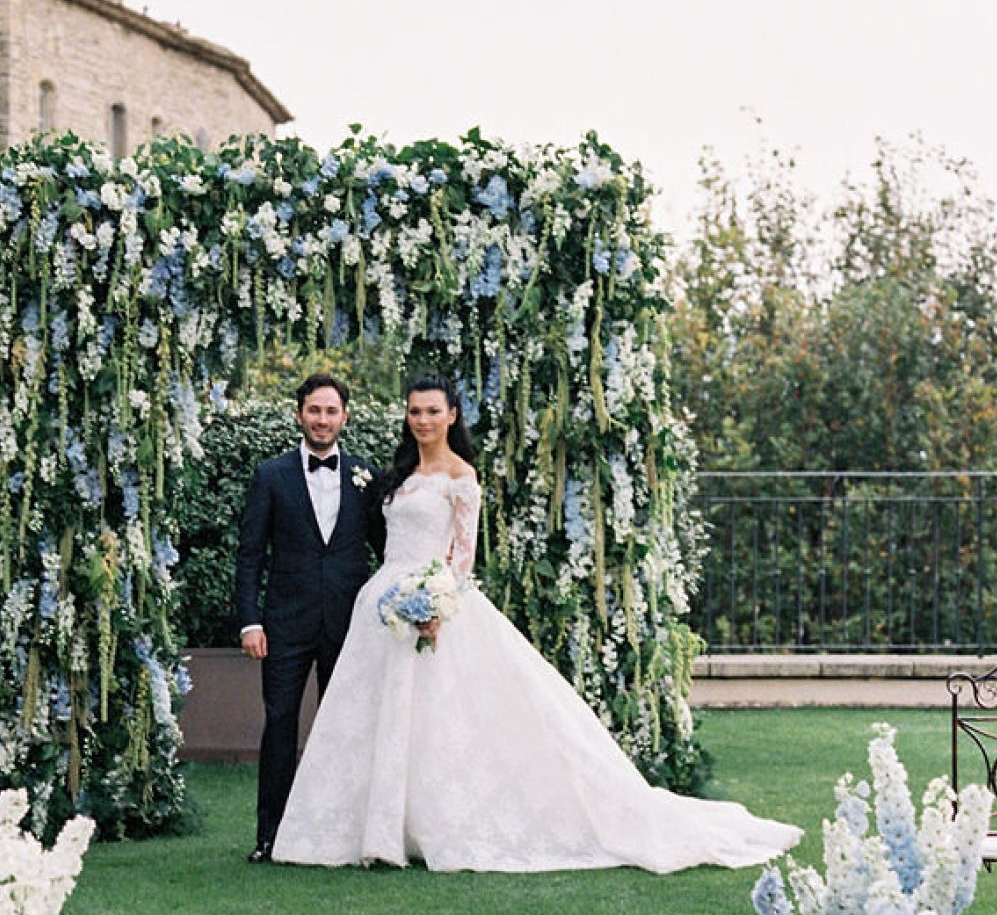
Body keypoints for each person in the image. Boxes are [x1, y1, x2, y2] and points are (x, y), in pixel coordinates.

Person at [271, 374, 800, 873]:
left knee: (444, 728)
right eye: (414, 411)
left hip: (435, 605)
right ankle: (372, 831)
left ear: (452, 415)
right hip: (382, 609)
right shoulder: (395, 477)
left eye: (433, 411)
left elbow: (462, 555)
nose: (422, 420)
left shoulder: (462, 476)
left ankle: (431, 828)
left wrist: (437, 604)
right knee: (375, 721)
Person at [233, 372, 382, 863]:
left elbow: (388, 551)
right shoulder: (270, 475)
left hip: (349, 625)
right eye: (314, 411)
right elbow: (250, 555)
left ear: (345, 416)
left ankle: (342, 834)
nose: (322, 420)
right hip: (284, 626)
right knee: (279, 723)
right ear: (299, 414)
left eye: (331, 411)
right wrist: (250, 621)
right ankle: (270, 836)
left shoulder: (365, 475)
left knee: (346, 727)